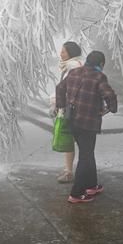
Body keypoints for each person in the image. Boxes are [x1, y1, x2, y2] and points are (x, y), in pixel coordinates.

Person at [56, 50, 118, 204]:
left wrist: (61, 106)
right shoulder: (99, 76)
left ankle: (92, 185)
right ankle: (76, 194)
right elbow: (109, 94)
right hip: (88, 122)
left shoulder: (74, 72)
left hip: (72, 120)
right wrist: (112, 107)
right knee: (86, 155)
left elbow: (59, 88)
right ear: (101, 64)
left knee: (87, 152)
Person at [50, 41, 82, 183]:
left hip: (72, 109)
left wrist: (56, 102)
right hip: (72, 107)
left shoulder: (73, 67)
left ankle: (71, 172)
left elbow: (66, 88)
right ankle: (69, 170)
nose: (60, 54)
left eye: (63, 51)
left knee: (70, 138)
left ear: (71, 53)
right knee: (70, 139)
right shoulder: (72, 66)